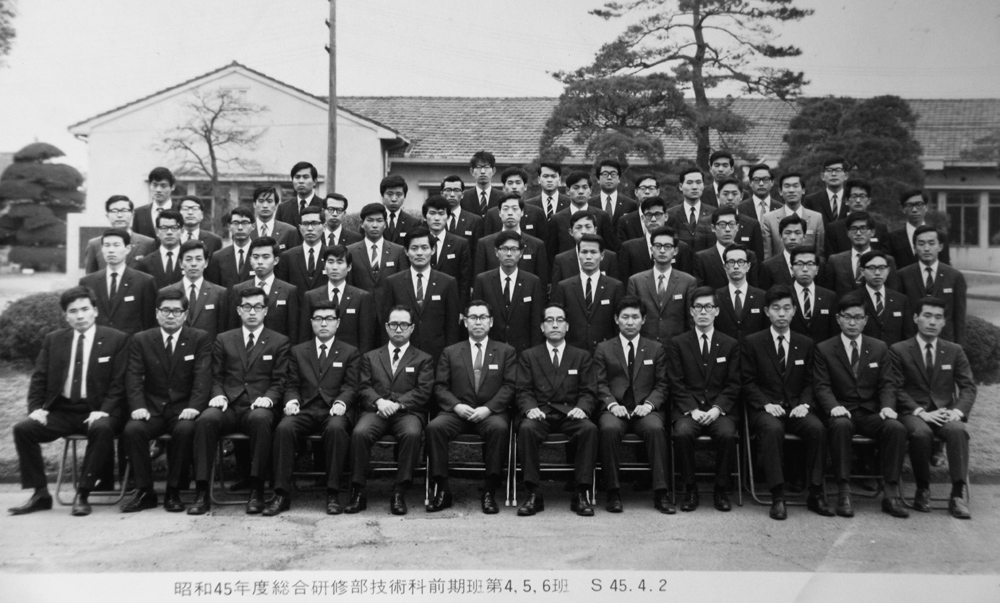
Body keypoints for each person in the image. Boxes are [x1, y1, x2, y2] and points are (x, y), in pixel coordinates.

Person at [9, 287, 129, 517]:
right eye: (73, 311)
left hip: (99, 411)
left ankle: (83, 494)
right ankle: (40, 494)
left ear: (95, 311)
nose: (80, 316)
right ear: (65, 316)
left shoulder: (116, 339)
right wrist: (36, 409)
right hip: (63, 410)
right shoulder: (54, 340)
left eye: (85, 309)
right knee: (23, 429)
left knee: (102, 428)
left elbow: (119, 384)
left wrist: (104, 410)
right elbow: (39, 378)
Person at [187, 287, 290, 515]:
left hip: (259, 406)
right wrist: (218, 394)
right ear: (238, 310)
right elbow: (215, 376)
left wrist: (268, 398)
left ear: (266, 310)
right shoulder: (224, 339)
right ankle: (202, 491)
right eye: (247, 307)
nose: (252, 312)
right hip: (229, 405)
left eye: (258, 307)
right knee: (206, 420)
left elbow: (280, 380)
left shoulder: (279, 341)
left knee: (261, 420)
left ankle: (256, 490)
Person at [813, 292, 909, 519]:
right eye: (847, 317)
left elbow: (887, 383)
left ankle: (891, 494)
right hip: (841, 411)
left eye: (858, 317)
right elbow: (821, 386)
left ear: (866, 320)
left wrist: (887, 407)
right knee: (841, 426)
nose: (852, 322)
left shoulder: (879, 347)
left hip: (869, 412)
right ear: (838, 319)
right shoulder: (824, 349)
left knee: (895, 428)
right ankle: (844, 493)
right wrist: (833, 407)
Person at [742, 286, 833, 520]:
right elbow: (747, 382)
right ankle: (778, 496)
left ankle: (816, 492)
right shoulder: (753, 342)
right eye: (776, 308)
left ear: (794, 311)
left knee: (817, 429)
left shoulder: (806, 343)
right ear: (766, 311)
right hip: (766, 409)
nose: (781, 313)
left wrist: (805, 404)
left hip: (796, 407)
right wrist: (765, 404)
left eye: (786, 308)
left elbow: (811, 381)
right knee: (772, 429)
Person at [119, 288, 212, 513]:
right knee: (133, 430)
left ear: (185, 314)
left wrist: (194, 407)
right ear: (156, 313)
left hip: (183, 408)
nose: (171, 315)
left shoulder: (199, 338)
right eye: (165, 310)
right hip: (152, 408)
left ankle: (174, 491)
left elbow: (202, 377)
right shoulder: (141, 339)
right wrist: (138, 406)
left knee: (185, 430)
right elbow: (133, 376)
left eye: (177, 311)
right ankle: (145, 491)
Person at [266, 301, 361, 516]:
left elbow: (351, 386)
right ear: (311, 322)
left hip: (333, 409)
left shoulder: (350, 352)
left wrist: (341, 403)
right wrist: (291, 402)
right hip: (306, 408)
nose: (323, 323)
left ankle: (333, 493)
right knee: (284, 428)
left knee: (336, 429)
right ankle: (281, 494)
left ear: (337, 323)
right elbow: (291, 384)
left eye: (329, 319)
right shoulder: (298, 351)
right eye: (318, 319)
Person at [426, 301, 517, 514]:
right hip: (457, 413)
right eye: (473, 317)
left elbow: (510, 386)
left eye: (483, 317)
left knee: (499, 429)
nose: (478, 322)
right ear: (465, 322)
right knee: (434, 428)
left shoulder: (506, 351)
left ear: (491, 322)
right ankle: (443, 489)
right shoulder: (451, 352)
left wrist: (489, 408)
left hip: (490, 413)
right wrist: (456, 406)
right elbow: (440, 387)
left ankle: (489, 491)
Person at [891, 297, 976, 519]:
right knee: (921, 433)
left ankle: (957, 495)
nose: (932, 322)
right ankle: (923, 489)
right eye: (927, 316)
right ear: (915, 318)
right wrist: (921, 412)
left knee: (958, 430)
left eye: (938, 317)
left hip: (944, 412)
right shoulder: (899, 350)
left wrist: (957, 411)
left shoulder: (954, 350)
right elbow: (896, 388)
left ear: (944, 322)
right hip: (913, 412)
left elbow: (968, 387)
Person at [348, 306, 435, 515]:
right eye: (394, 324)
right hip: (376, 411)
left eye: (403, 324)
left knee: (412, 434)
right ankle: (358, 491)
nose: (398, 329)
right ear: (387, 327)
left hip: (407, 412)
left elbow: (423, 391)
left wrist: (397, 404)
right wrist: (379, 402)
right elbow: (363, 387)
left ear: (411, 328)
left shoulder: (423, 358)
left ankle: (399, 492)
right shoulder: (370, 357)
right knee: (360, 433)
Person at [515, 303, 600, 517]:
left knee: (589, 429)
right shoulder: (529, 356)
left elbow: (589, 391)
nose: (555, 325)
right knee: (526, 429)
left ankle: (581, 493)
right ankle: (533, 493)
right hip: (541, 413)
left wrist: (582, 408)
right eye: (549, 320)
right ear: (542, 327)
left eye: (560, 320)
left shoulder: (581, 356)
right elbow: (523, 390)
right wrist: (530, 409)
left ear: (567, 326)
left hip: (570, 413)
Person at [593, 296, 673, 514]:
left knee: (655, 429)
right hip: (615, 410)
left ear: (643, 320)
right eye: (625, 317)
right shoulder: (604, 348)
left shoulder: (656, 348)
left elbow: (663, 384)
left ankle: (661, 492)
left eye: (635, 317)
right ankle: (613, 492)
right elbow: (599, 383)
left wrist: (649, 405)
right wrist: (611, 405)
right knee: (608, 429)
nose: (630, 322)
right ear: (616, 319)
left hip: (645, 410)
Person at [667, 287, 741, 512]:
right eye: (698, 307)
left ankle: (721, 489)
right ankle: (690, 490)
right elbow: (675, 382)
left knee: (727, 435)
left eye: (708, 307)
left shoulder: (730, 344)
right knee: (682, 434)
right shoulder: (678, 343)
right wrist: (692, 409)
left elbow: (734, 384)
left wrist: (717, 408)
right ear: (691, 311)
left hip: (719, 410)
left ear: (716, 311)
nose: (703, 312)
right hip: (690, 410)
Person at [385, 228, 461, 361]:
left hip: (437, 354)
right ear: (406, 251)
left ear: (433, 250)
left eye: (424, 248)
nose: (419, 253)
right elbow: (386, 323)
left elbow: (452, 326)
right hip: (403, 353)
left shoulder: (447, 282)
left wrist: (449, 358)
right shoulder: (393, 282)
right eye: (414, 248)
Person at [471, 231, 546, 355]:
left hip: (523, 351)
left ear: (521, 253)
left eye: (514, 249)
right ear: (496, 252)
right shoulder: (483, 281)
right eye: (504, 249)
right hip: (490, 350)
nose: (509, 254)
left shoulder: (532, 282)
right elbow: (476, 317)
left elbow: (536, 321)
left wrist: (533, 354)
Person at [550, 234, 624, 354]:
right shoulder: (564, 286)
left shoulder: (615, 286)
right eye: (584, 252)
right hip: (572, 352)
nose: (588, 257)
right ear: (578, 255)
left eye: (593, 252)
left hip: (607, 352)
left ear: (602, 255)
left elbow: (618, 323)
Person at [79, 228, 158, 336]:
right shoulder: (88, 282)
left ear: (128, 248)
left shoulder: (144, 281)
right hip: (98, 342)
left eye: (116, 245)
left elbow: (149, 321)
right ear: (102, 249)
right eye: (107, 245)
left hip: (130, 343)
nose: (111, 250)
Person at [625, 226, 696, 345]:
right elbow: (631, 317)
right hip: (645, 346)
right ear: (651, 249)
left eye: (667, 246)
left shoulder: (688, 282)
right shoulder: (636, 281)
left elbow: (691, 321)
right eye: (658, 246)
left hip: (676, 347)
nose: (662, 250)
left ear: (675, 251)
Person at [302, 245, 379, 353]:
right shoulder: (311, 296)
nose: (334, 267)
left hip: (351, 357)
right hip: (319, 356)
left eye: (339, 262)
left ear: (349, 267)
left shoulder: (362, 297)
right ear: (324, 266)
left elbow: (366, 338)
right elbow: (305, 335)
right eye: (330, 262)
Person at [897, 226, 966, 346]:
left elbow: (959, 317)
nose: (926, 248)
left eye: (931, 243)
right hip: (911, 343)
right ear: (914, 248)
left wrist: (959, 347)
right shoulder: (903, 275)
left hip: (945, 342)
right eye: (921, 244)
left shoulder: (955, 276)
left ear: (940, 247)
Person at [346, 203, 410, 325]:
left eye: (379, 221)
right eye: (370, 220)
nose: (375, 225)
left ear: (385, 224)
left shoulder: (398, 251)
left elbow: (403, 285)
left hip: (390, 314)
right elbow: (348, 284)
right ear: (362, 224)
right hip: (360, 313)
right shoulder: (350, 251)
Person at [229, 237, 300, 342]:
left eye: (266, 257)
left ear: (276, 260)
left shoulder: (289, 291)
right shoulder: (238, 289)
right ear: (250, 260)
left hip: (278, 348)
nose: (260, 262)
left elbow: (293, 329)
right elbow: (233, 327)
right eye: (255, 257)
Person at [161, 239, 229, 339]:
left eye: (198, 259)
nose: (193, 264)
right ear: (180, 263)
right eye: (188, 259)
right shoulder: (167, 292)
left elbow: (223, 329)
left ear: (206, 263)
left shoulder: (219, 293)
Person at [474, 194, 549, 284]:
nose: (510, 213)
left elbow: (542, 282)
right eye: (505, 209)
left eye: (515, 208)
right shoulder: (485, 244)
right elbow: (479, 279)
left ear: (522, 212)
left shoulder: (536, 245)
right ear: (499, 213)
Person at [823, 211, 898, 297]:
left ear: (872, 232)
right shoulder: (835, 261)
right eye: (853, 229)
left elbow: (893, 293)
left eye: (863, 228)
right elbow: (829, 294)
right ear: (847, 233)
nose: (858, 233)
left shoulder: (887, 260)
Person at [618, 197, 694, 278]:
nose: (653, 219)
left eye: (658, 215)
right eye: (649, 215)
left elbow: (686, 279)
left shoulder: (681, 247)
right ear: (642, 218)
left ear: (666, 217)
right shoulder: (629, 248)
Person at [546, 171, 616, 258]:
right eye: (576, 188)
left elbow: (609, 250)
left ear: (590, 190)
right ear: (567, 191)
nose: (581, 192)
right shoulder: (556, 219)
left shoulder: (602, 216)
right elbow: (551, 253)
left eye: (584, 187)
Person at [83, 195, 157, 274]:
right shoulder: (94, 244)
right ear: (107, 215)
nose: (119, 215)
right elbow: (90, 277)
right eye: (114, 211)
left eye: (124, 210)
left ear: (132, 214)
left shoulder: (148, 243)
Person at [421, 195, 472, 307]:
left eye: (441, 213)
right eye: (432, 213)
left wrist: (462, 309)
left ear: (448, 216)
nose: (437, 218)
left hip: (451, 302)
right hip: (422, 301)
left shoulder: (460, 244)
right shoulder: (417, 242)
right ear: (425, 216)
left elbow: (464, 280)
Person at [761, 172, 825, 260]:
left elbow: (819, 253)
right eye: (787, 186)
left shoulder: (816, 218)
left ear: (803, 190)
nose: (791, 190)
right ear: (780, 191)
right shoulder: (768, 219)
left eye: (795, 186)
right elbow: (767, 255)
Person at [694, 207, 760, 289]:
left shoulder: (749, 255)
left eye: (731, 224)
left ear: (737, 227)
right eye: (722, 225)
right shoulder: (702, 258)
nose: (727, 229)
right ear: (713, 228)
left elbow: (754, 289)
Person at [549, 211, 620, 286]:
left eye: (588, 227)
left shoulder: (610, 257)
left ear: (595, 230)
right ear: (571, 232)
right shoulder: (561, 260)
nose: (583, 231)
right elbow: (557, 291)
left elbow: (615, 287)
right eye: (578, 227)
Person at [712, 244, 767, 341]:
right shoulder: (716, 297)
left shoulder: (762, 296)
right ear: (725, 267)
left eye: (741, 262)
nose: (736, 266)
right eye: (731, 262)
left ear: (748, 266)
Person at [858, 250, 913, 346]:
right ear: (862, 271)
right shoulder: (854, 298)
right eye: (871, 268)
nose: (877, 273)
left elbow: (908, 335)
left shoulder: (901, 300)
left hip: (894, 353)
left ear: (888, 270)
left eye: (882, 268)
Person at [884, 190, 950, 268]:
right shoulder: (891, 237)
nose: (914, 210)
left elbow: (945, 267)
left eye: (919, 204)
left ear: (926, 207)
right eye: (909, 205)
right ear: (903, 209)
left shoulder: (941, 236)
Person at [788, 246, 840, 344]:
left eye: (810, 264)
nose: (805, 269)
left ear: (817, 269)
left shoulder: (830, 296)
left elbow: (834, 331)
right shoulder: (784, 294)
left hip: (822, 350)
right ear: (791, 269)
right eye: (799, 264)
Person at [824, 180, 889, 256]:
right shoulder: (834, 228)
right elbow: (830, 258)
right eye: (854, 196)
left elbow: (885, 256)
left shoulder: (880, 228)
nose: (858, 200)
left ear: (869, 200)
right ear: (846, 201)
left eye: (862, 196)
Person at [483, 167, 547, 240]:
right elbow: (488, 241)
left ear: (525, 186)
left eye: (518, 183)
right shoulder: (492, 214)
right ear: (503, 187)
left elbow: (541, 242)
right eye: (510, 183)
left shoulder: (537, 213)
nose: (514, 187)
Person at [275, 206, 328, 293]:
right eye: (305, 224)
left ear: (324, 226)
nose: (310, 228)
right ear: (300, 227)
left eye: (315, 223)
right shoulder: (287, 257)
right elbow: (283, 289)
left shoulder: (331, 255)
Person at [710, 178, 765, 260]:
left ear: (741, 196)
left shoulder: (752, 224)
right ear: (718, 196)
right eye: (725, 194)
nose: (730, 198)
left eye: (734, 194)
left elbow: (758, 258)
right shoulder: (706, 222)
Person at [665, 167, 715, 252]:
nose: (694, 187)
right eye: (689, 183)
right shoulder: (670, 214)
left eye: (698, 182)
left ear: (703, 185)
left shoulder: (713, 213)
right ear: (681, 186)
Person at [205, 206, 255, 289]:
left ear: (253, 226)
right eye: (235, 223)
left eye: (245, 223)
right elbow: (214, 289)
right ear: (228, 227)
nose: (240, 228)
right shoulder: (218, 257)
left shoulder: (260, 254)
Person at [136, 208, 184, 289]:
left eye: (174, 228)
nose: (169, 232)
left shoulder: (190, 259)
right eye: (164, 228)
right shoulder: (145, 263)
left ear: (182, 231)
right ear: (157, 231)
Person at [758, 215, 807, 291]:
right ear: (780, 236)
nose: (792, 237)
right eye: (788, 233)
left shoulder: (817, 265)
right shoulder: (768, 266)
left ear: (804, 236)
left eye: (797, 233)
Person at [589, 159, 638, 231]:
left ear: (619, 179)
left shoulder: (631, 205)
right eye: (605, 174)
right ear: (598, 179)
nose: (609, 177)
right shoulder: (589, 204)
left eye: (613, 174)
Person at [439, 175, 484, 251]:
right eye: (448, 190)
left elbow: (477, 251)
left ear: (462, 194)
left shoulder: (474, 221)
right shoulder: (434, 219)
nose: (452, 194)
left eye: (456, 190)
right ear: (441, 194)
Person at [803, 156, 851, 225]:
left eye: (838, 170)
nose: (833, 174)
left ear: (846, 175)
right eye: (829, 170)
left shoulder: (852, 199)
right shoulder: (811, 201)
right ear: (822, 176)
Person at [251, 186, 300, 251]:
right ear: (254, 204)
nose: (265, 206)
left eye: (269, 201)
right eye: (261, 201)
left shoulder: (289, 231)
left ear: (276, 205)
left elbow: (295, 255)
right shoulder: (246, 229)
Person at [616, 174, 661, 243]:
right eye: (643, 188)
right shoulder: (625, 221)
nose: (647, 192)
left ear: (658, 192)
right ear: (636, 192)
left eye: (651, 188)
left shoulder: (667, 219)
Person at [276, 161, 324, 227]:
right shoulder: (283, 208)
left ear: (315, 181)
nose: (301, 181)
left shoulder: (323, 206)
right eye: (297, 177)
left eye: (305, 177)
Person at [133, 167, 175, 239]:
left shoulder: (180, 210)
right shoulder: (139, 213)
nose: (158, 190)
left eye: (163, 186)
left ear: (172, 187)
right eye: (155, 185)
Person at [379, 175, 421, 244]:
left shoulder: (414, 223)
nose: (394, 199)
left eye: (398, 194)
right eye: (389, 194)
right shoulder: (373, 221)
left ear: (404, 196)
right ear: (382, 195)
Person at [461, 151, 502, 216]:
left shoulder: (502, 197)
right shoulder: (464, 197)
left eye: (486, 167)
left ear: (493, 171)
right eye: (478, 167)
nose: (482, 171)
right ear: (472, 171)